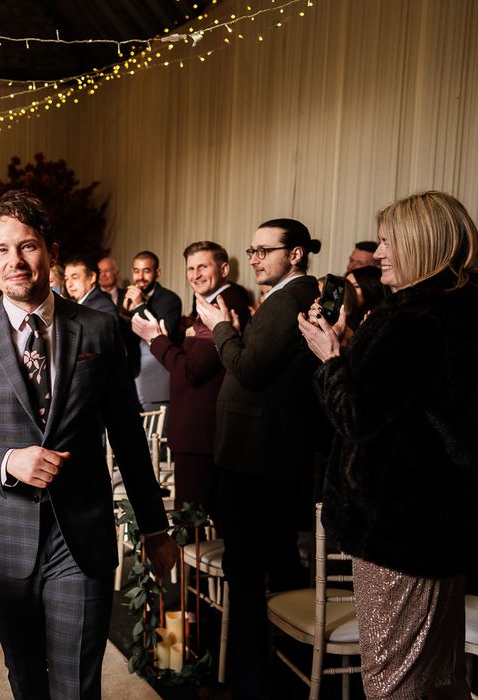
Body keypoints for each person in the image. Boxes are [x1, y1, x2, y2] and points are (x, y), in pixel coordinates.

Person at [0, 190, 177, 700]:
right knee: (25, 681)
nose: (15, 261)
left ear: (51, 251)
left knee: (77, 686)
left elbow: (129, 438)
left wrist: (155, 528)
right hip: (2, 538)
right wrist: (5, 461)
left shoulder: (99, 329)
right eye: (1, 250)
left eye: (27, 246)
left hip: (79, 536)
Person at [299, 191, 478, 700]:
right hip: (443, 527)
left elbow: (356, 416)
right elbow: (414, 401)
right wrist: (352, 349)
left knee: (392, 684)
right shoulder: (459, 308)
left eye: (385, 241)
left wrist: (330, 359)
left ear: (421, 244)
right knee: (443, 680)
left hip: (399, 532)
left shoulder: (414, 319)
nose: (376, 255)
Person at [196, 218, 323, 700]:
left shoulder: (289, 298)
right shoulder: (289, 297)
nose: (253, 258)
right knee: (276, 564)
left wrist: (220, 327)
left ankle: (249, 682)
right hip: (264, 457)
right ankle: (281, 675)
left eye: (263, 250)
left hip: (256, 464)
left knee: (248, 572)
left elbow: (248, 368)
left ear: (294, 254)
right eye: (250, 250)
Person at [131, 241, 250, 514]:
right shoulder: (210, 304)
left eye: (202, 267)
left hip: (202, 430)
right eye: (190, 268)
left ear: (223, 269)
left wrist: (155, 338)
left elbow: (191, 371)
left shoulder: (225, 304)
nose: (195, 274)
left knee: (192, 526)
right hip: (199, 431)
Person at [121, 251, 182, 411]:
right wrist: (124, 314)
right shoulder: (125, 298)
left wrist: (140, 306)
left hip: (157, 377)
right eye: (136, 271)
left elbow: (163, 335)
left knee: (155, 432)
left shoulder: (170, 299)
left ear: (157, 273)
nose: (140, 276)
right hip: (131, 376)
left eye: (146, 271)